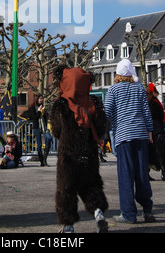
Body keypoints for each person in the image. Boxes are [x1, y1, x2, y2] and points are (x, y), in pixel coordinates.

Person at [51, 66, 108, 234]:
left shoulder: (61, 104)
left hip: (68, 154)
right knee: (91, 185)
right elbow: (101, 125)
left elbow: (56, 130)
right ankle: (98, 214)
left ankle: (68, 225)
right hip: (89, 152)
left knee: (66, 189)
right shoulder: (94, 102)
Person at [104, 59, 155, 224]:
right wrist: (150, 132)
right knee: (142, 174)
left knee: (126, 176)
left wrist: (100, 133)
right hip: (141, 134)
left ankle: (128, 214)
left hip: (123, 136)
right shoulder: (139, 88)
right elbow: (146, 112)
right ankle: (147, 210)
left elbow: (107, 113)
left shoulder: (113, 90)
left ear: (117, 74)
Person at [146, 84, 165, 182]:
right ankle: (164, 173)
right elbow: (155, 118)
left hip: (154, 130)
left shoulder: (152, 102)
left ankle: (147, 173)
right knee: (160, 152)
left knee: (152, 152)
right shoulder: (153, 103)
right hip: (156, 130)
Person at [27, 95, 52, 166]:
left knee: (49, 138)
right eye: (40, 99)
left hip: (43, 127)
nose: (41, 100)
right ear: (36, 99)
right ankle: (42, 161)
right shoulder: (32, 108)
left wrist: (44, 113)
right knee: (39, 144)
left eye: (42, 99)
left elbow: (45, 117)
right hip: (37, 127)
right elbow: (35, 118)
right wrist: (38, 111)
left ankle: (45, 158)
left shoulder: (42, 107)